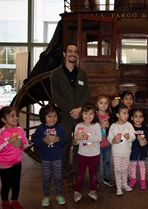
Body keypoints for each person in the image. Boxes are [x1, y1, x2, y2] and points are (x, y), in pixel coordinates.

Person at [51, 43, 91, 188]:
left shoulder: (82, 74)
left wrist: (80, 109)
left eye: (75, 52)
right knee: (65, 146)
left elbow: (87, 93)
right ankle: (65, 175)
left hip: (80, 117)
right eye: (70, 51)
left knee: (79, 144)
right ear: (64, 54)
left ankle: (76, 173)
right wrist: (71, 110)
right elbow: (57, 97)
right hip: (65, 117)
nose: (73, 54)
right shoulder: (56, 74)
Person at [0, 106, 28, 209]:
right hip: (4, 164)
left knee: (16, 184)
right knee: (6, 184)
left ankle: (14, 201)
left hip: (17, 162)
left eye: (16, 115)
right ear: (4, 120)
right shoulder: (1, 133)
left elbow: (26, 145)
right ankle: (5, 201)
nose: (16, 118)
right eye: (12, 116)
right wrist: (8, 142)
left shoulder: (20, 130)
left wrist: (21, 145)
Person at [32, 104, 67, 207]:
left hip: (57, 157)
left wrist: (59, 139)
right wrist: (43, 140)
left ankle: (59, 194)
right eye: (49, 116)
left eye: (55, 116)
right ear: (44, 117)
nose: (52, 119)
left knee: (58, 177)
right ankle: (46, 196)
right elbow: (36, 140)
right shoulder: (40, 128)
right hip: (45, 158)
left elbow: (64, 140)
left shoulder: (60, 128)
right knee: (46, 177)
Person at [72, 103, 102, 202]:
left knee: (93, 173)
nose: (88, 116)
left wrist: (88, 137)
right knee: (80, 173)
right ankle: (77, 191)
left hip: (94, 154)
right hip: (82, 154)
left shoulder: (96, 125)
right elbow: (75, 142)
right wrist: (76, 139)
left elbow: (99, 138)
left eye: (91, 114)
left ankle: (93, 190)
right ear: (81, 114)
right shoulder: (78, 125)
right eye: (85, 113)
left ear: (94, 115)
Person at [108, 104, 136, 196]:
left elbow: (133, 136)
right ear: (117, 115)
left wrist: (129, 137)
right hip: (116, 153)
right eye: (124, 113)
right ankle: (118, 186)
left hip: (126, 152)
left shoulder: (129, 125)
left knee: (125, 168)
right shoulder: (113, 126)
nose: (127, 115)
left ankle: (124, 184)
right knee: (117, 169)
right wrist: (113, 140)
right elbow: (109, 138)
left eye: (127, 113)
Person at [129, 108, 148, 190]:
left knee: (142, 166)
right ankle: (133, 179)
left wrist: (142, 139)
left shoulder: (145, 129)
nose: (138, 119)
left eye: (140, 117)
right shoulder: (130, 128)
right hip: (133, 150)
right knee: (133, 165)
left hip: (143, 151)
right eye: (136, 116)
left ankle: (143, 180)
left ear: (143, 118)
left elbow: (147, 140)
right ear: (132, 118)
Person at [95, 95, 114, 187]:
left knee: (107, 162)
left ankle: (107, 177)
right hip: (97, 144)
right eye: (101, 103)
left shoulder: (109, 115)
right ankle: (96, 179)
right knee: (97, 163)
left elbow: (113, 128)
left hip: (107, 143)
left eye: (106, 103)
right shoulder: (94, 115)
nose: (103, 105)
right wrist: (100, 126)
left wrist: (108, 126)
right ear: (97, 104)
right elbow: (91, 129)